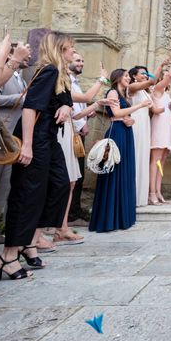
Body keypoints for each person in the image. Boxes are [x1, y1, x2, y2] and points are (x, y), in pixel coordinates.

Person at [0, 31, 73, 281]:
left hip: (49, 138)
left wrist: (66, 106)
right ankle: (7, 256)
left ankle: (29, 240)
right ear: (60, 49)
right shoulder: (49, 71)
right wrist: (26, 145)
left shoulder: (60, 75)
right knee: (27, 194)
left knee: (59, 184)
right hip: (35, 139)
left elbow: (65, 101)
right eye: (70, 48)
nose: (73, 53)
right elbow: (30, 108)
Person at [54, 56, 109, 243]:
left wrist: (95, 106)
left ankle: (62, 227)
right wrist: (102, 79)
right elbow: (85, 98)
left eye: (83, 61)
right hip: (63, 133)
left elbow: (76, 112)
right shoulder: (62, 81)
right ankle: (57, 226)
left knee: (71, 181)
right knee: (64, 181)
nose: (81, 63)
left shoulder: (72, 83)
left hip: (72, 131)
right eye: (76, 59)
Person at [89, 69, 152, 233]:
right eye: (125, 76)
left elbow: (121, 115)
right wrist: (139, 106)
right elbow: (115, 113)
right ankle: (110, 218)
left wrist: (128, 119)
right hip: (116, 133)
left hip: (125, 131)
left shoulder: (123, 95)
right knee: (114, 172)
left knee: (124, 173)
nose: (128, 78)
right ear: (117, 78)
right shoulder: (112, 93)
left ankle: (122, 217)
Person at [0, 41, 31, 249]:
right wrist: (23, 99)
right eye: (23, 53)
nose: (28, 57)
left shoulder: (20, 78)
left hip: (11, 136)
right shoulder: (0, 73)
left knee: (4, 184)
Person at [149, 54, 171, 205]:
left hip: (166, 129)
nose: (166, 80)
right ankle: (151, 193)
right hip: (158, 128)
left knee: (162, 161)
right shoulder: (156, 90)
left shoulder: (168, 96)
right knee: (155, 160)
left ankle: (158, 190)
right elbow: (169, 76)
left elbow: (170, 112)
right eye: (163, 78)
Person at [128, 62, 164, 206]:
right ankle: (132, 195)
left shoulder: (145, 92)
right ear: (134, 76)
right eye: (142, 73)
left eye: (146, 73)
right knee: (136, 156)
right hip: (136, 123)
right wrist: (160, 66)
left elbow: (155, 110)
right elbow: (152, 80)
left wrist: (167, 110)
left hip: (145, 124)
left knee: (143, 157)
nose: (145, 75)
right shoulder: (132, 87)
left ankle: (140, 196)